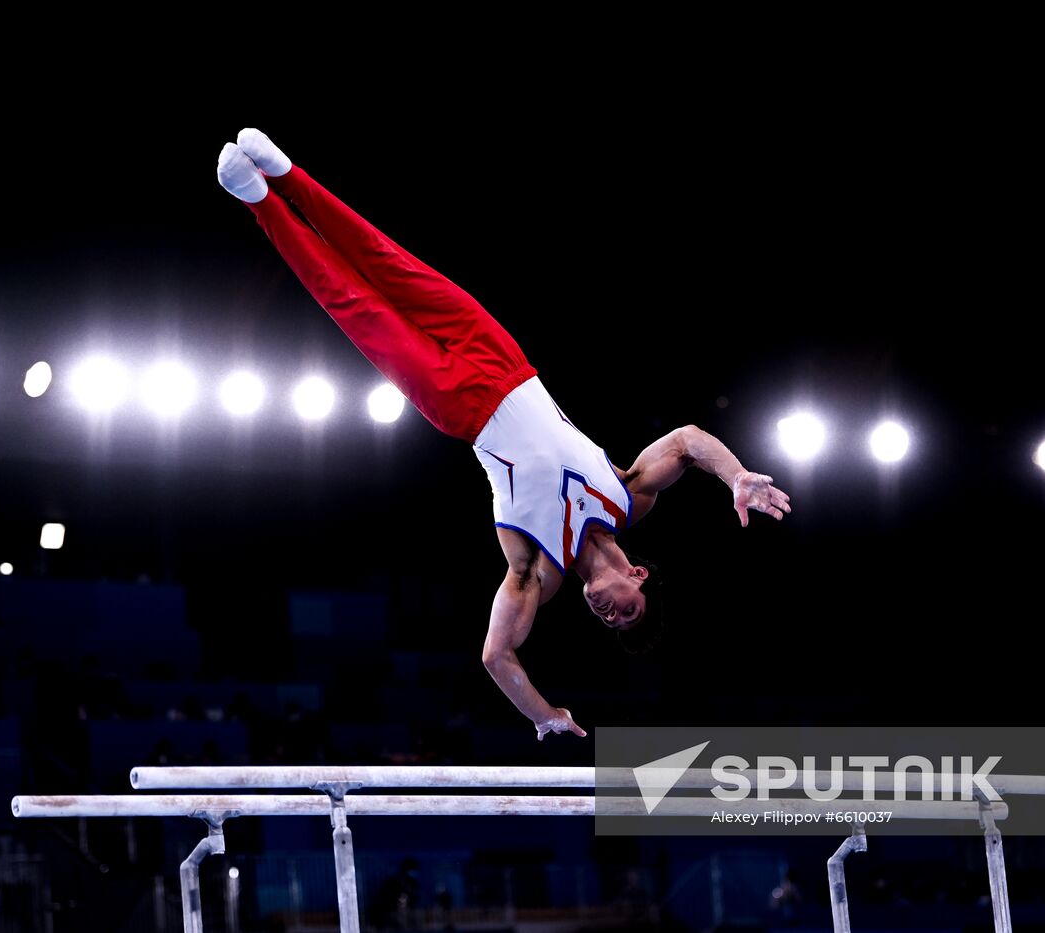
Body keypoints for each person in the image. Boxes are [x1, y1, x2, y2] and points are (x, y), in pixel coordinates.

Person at [217, 129, 791, 740]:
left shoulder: (537, 572)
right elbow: (687, 440)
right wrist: (736, 476)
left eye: (610, 625)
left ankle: (259, 201)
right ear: (639, 578)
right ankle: (287, 175)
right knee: (388, 261)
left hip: (460, 406)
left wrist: (544, 715)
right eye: (627, 612)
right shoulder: (630, 496)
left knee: (353, 301)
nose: (609, 615)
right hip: (505, 362)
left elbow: (496, 655)